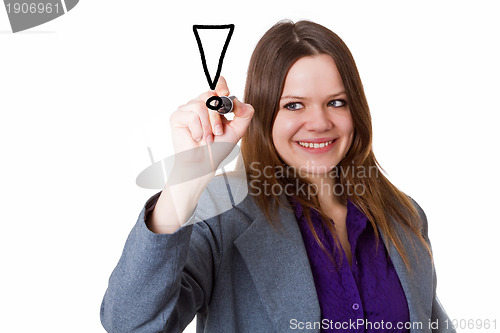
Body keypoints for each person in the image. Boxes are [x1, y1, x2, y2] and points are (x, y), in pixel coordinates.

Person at [100, 20, 455, 333]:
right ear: (264, 113)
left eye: (336, 102)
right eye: (294, 105)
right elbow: (131, 324)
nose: (319, 123)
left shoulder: (404, 215)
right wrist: (187, 178)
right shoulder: (223, 216)